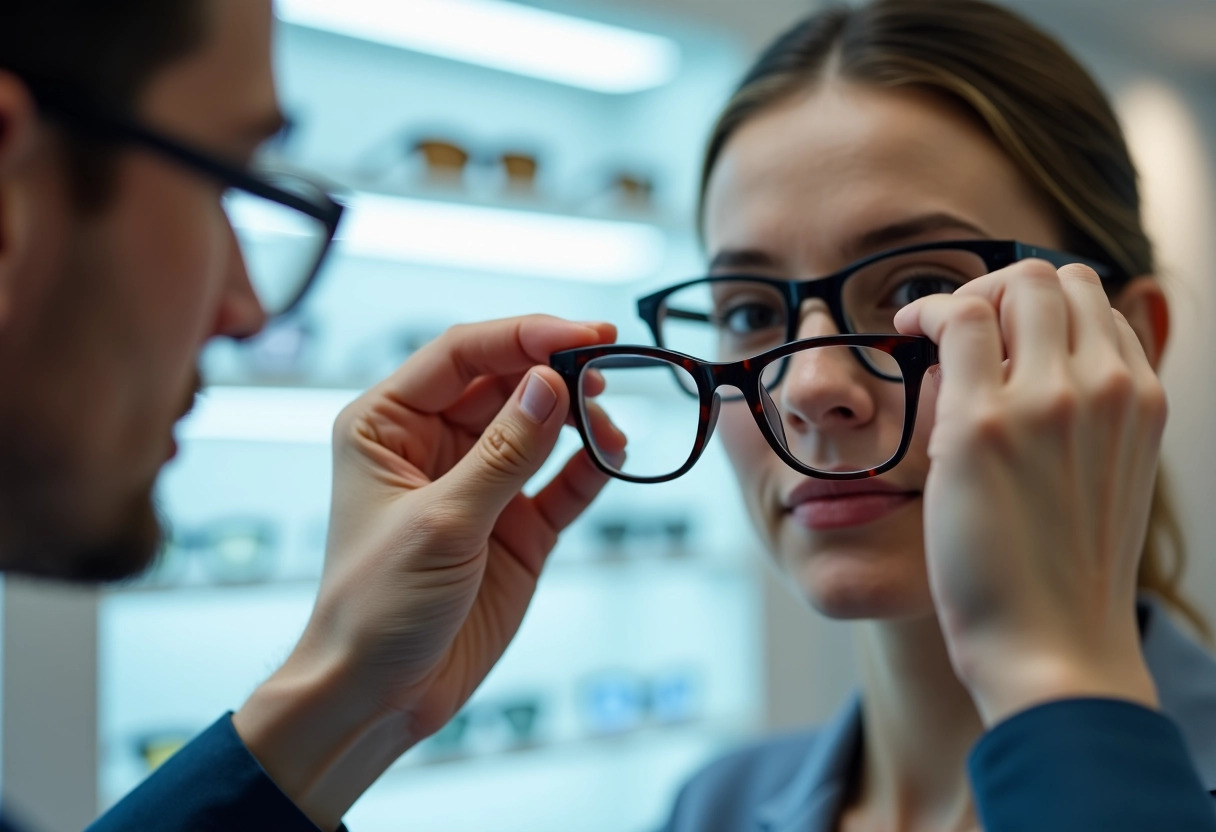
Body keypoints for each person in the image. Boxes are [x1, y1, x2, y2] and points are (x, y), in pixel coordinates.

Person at [0, 2, 1212, 832]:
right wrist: (340, 697)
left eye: (918, 291)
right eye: (745, 308)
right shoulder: (714, 804)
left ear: (1132, 344)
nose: (805, 386)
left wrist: (1061, 685)